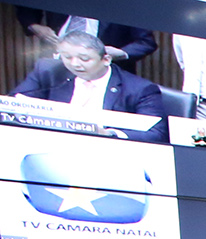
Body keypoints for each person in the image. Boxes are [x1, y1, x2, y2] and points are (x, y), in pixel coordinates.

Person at [12, 30, 166, 142]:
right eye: (67, 57)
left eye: (84, 59)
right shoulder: (47, 71)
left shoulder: (140, 89)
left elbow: (156, 133)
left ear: (106, 60)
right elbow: (13, 106)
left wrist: (110, 134)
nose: (74, 64)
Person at [14, 8, 154, 66]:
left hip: (106, 69)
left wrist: (122, 53)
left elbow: (146, 42)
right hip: (57, 62)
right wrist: (33, 25)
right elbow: (26, 8)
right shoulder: (44, 72)